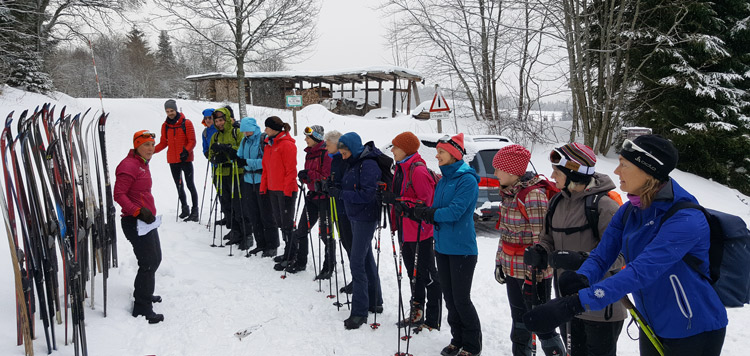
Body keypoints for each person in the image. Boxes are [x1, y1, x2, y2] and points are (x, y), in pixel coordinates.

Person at [524, 135, 728, 356]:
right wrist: (583, 276)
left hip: (693, 328)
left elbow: (640, 272)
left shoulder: (685, 219)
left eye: (623, 165)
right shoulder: (631, 210)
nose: (616, 171)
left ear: (648, 170)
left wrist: (574, 304)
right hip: (652, 322)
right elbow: (603, 256)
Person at [524, 143, 626, 356]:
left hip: (601, 306)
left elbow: (622, 254)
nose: (552, 176)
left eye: (557, 172)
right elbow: (547, 239)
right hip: (567, 304)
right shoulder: (556, 202)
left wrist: (582, 260)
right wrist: (541, 251)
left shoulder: (605, 206)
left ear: (573, 173)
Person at [403, 133, 481, 356]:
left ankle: (472, 345)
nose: (436, 156)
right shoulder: (444, 179)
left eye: (441, 152)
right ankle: (457, 340)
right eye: (437, 151)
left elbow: (455, 211)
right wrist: (417, 211)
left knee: (461, 299)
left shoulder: (466, 180)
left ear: (454, 154)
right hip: (443, 246)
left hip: (462, 249)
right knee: (449, 297)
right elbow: (434, 209)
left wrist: (430, 213)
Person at [492, 144, 565, 356]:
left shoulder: (533, 196)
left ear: (513, 171)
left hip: (533, 274)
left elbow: (541, 239)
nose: (495, 173)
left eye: (498, 168)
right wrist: (499, 262)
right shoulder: (508, 194)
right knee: (519, 319)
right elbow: (504, 233)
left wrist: (540, 273)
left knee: (542, 322)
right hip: (512, 268)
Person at [386, 132, 442, 330]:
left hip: (420, 231)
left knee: (425, 274)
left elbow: (427, 203)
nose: (392, 150)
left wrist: (400, 202)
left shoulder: (417, 170)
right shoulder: (401, 168)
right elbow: (402, 197)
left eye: (395, 147)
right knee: (413, 273)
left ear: (406, 149)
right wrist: (391, 198)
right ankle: (417, 313)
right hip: (405, 229)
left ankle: (432, 319)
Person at [328, 132, 383, 330]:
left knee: (357, 262)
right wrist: (334, 186)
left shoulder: (367, 164)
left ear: (352, 149)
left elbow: (367, 194)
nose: (342, 156)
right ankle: (375, 300)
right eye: (341, 153)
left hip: (365, 217)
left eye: (344, 153)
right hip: (355, 215)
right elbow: (351, 186)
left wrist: (341, 193)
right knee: (365, 258)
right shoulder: (354, 162)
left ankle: (359, 312)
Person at [114, 130, 164, 324]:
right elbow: (119, 195)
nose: (150, 148)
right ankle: (142, 308)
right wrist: (137, 211)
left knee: (155, 259)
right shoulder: (129, 165)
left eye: (152, 144)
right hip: (135, 221)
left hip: (147, 221)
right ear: (137, 146)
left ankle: (144, 293)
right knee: (148, 262)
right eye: (146, 145)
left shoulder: (142, 163)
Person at [277, 125, 333, 274]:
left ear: (316, 138)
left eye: (308, 137)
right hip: (312, 197)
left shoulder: (326, 153)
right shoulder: (310, 153)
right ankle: (300, 262)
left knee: (325, 235)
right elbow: (312, 175)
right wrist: (305, 177)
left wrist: (310, 175)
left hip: (325, 199)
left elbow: (326, 177)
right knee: (301, 230)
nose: (305, 139)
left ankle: (328, 268)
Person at [236, 117, 278, 256]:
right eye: (244, 131)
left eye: (248, 130)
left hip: (262, 180)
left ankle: (272, 245)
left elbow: (266, 161)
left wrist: (247, 162)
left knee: (266, 214)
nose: (246, 133)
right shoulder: (244, 141)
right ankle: (260, 243)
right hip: (248, 180)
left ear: (253, 128)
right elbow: (239, 157)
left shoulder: (263, 139)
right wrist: (235, 158)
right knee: (253, 214)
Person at [208, 108, 248, 246]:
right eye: (217, 121)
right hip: (220, 173)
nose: (219, 123)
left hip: (236, 171)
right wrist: (215, 158)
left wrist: (228, 149)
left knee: (239, 204)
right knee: (227, 204)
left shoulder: (236, 132)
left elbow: (241, 150)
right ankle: (235, 231)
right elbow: (210, 153)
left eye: (221, 120)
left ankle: (246, 234)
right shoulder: (215, 136)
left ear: (226, 120)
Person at [260, 116, 298, 263]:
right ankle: (287, 251)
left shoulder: (286, 145)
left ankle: (292, 254)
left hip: (285, 190)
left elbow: (291, 171)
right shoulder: (269, 144)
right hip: (273, 189)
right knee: (280, 222)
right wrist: (264, 187)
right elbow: (266, 169)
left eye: (267, 127)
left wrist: (288, 192)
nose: (265, 130)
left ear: (274, 129)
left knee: (287, 223)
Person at [154, 99, 199, 222]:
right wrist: (151, 150)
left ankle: (195, 211)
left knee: (190, 185)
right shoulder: (165, 126)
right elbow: (163, 142)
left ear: (176, 109)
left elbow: (192, 141)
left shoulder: (186, 123)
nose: (170, 113)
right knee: (179, 185)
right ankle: (185, 208)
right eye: (167, 111)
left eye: (172, 110)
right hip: (173, 160)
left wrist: (186, 151)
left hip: (186, 159)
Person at [325, 130, 354, 293]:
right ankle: (355, 279)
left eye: (328, 144)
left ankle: (358, 281)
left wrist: (336, 187)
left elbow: (347, 182)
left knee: (351, 245)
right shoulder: (335, 159)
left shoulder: (343, 160)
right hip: (338, 206)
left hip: (345, 208)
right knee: (346, 242)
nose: (326, 147)